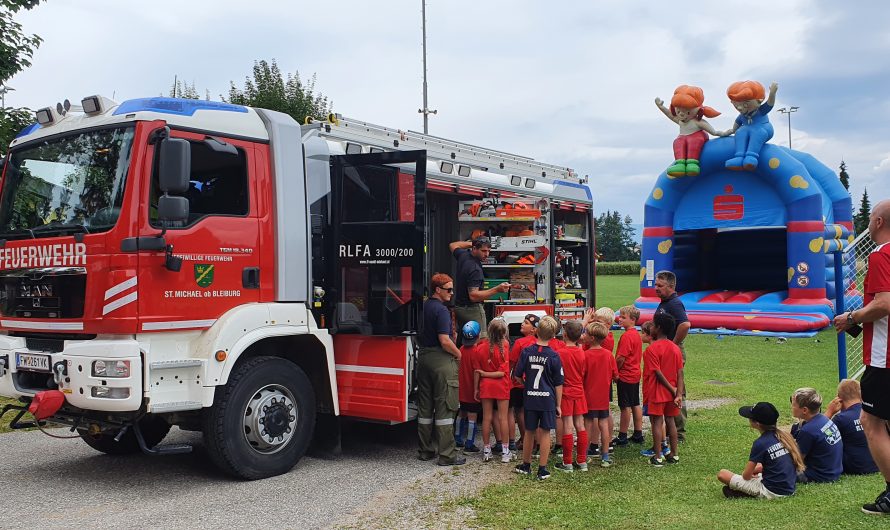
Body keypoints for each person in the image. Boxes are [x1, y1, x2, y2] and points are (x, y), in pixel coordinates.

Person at [833, 198, 890, 515]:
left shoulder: (882, 254)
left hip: (885, 358)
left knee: (871, 422)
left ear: (878, 223)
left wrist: (852, 317)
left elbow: (884, 304)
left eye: (870, 219)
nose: (866, 223)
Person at [417, 273, 465, 466]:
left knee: (425, 409)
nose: (452, 293)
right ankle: (447, 455)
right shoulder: (442, 311)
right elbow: (445, 341)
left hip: (424, 358)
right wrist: (459, 354)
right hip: (441, 360)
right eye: (449, 289)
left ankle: (425, 451)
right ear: (438, 289)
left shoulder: (423, 306)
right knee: (446, 407)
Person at [717, 402, 804, 499]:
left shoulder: (760, 443)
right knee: (758, 467)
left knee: (723, 474)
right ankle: (741, 492)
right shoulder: (785, 436)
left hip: (772, 491)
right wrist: (756, 470)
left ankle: (746, 493)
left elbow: (746, 476)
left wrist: (749, 473)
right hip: (789, 488)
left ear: (757, 424)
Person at [513, 316, 564, 480]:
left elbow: (517, 375)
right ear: (553, 335)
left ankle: (526, 464)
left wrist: (526, 384)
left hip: (530, 397)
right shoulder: (554, 356)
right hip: (547, 399)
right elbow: (558, 383)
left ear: (536, 331)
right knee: (546, 432)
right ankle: (542, 469)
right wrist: (559, 404)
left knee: (529, 431)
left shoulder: (527, 352)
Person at [654, 85, 724, 178]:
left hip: (696, 137)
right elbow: (670, 115)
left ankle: (692, 163)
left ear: (698, 110)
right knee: (678, 142)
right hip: (683, 137)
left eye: (687, 112)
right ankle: (680, 164)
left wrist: (722, 133)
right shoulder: (681, 121)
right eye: (678, 111)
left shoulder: (697, 122)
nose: (682, 114)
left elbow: (713, 132)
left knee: (693, 141)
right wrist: (661, 107)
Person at [449, 237, 510, 344]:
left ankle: (460, 359)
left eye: (488, 251)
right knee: (480, 342)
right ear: (474, 249)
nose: (486, 254)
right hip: (472, 310)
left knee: (464, 340)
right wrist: (497, 289)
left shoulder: (463, 255)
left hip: (459, 308)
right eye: (483, 251)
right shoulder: (475, 269)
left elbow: (453, 245)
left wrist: (473, 243)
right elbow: (473, 296)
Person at [643, 312, 684, 467]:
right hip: (672, 393)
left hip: (657, 391)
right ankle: (674, 454)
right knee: (671, 421)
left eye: (653, 325)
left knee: (657, 422)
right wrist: (678, 393)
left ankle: (658, 455)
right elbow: (680, 372)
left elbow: (657, 373)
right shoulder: (675, 348)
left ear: (658, 328)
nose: (651, 327)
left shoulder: (651, 350)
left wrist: (673, 390)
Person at [654, 270, 690, 441]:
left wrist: (673, 344)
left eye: (660, 285)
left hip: (672, 349)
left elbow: (685, 324)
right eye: (655, 284)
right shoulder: (665, 302)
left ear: (670, 286)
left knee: (677, 387)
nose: (656, 288)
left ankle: (679, 431)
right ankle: (670, 428)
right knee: (667, 385)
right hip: (665, 349)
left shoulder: (674, 303)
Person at [554, 320, 589, 473]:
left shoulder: (560, 353)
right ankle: (582, 460)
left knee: (567, 426)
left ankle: (567, 462)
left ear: (565, 334)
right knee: (580, 425)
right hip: (579, 391)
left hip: (566, 392)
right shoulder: (581, 352)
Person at [475, 318, 512, 463]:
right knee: (503, 418)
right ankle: (505, 451)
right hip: (501, 385)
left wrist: (477, 386)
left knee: (486, 418)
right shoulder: (506, 345)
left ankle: (486, 449)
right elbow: (502, 373)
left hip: (486, 386)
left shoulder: (480, 347)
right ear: (504, 333)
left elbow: (477, 371)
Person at [582, 322, 619, 467]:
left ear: (591, 338)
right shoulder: (608, 355)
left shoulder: (585, 355)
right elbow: (616, 375)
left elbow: (581, 375)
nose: (583, 335)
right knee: (603, 424)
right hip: (603, 396)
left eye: (585, 333)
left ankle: (583, 455)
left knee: (587, 425)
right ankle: (605, 456)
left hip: (588, 396)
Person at [826, 379, 879, 475]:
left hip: (853, 468)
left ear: (839, 398)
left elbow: (818, 433)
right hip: (878, 464)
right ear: (861, 395)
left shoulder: (840, 419)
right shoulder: (873, 413)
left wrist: (828, 413)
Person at [790, 387, 843, 483]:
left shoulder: (808, 431)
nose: (791, 407)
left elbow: (796, 461)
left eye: (793, 405)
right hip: (833, 471)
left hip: (819, 475)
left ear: (805, 410)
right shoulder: (824, 419)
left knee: (776, 470)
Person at [724, 80, 778, 171]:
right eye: (736, 105)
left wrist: (772, 93)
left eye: (745, 104)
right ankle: (739, 157)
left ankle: (751, 156)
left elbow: (770, 104)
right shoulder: (742, 116)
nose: (740, 108)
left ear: (759, 100)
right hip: (748, 129)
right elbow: (736, 125)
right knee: (740, 132)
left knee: (758, 132)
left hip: (763, 128)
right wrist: (732, 131)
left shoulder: (760, 111)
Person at [613, 306, 645, 446]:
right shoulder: (636, 335)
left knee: (624, 406)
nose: (620, 319)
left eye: (623, 317)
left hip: (625, 375)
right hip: (635, 373)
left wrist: (615, 372)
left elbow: (621, 358)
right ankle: (638, 433)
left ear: (632, 320)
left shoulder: (627, 336)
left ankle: (622, 435)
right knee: (635, 403)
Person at [508, 314, 540, 451]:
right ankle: (536, 440)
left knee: (519, 411)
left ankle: (525, 439)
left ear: (533, 330)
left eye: (526, 323)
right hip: (535, 383)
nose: (522, 324)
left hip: (519, 382)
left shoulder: (520, 343)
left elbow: (511, 362)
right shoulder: (539, 342)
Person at [455, 321, 482, 453]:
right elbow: (477, 371)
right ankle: (469, 443)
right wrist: (477, 389)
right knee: (473, 416)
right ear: (478, 336)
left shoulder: (460, 349)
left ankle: (457, 438)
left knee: (461, 413)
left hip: (461, 389)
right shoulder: (477, 351)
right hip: (472, 389)